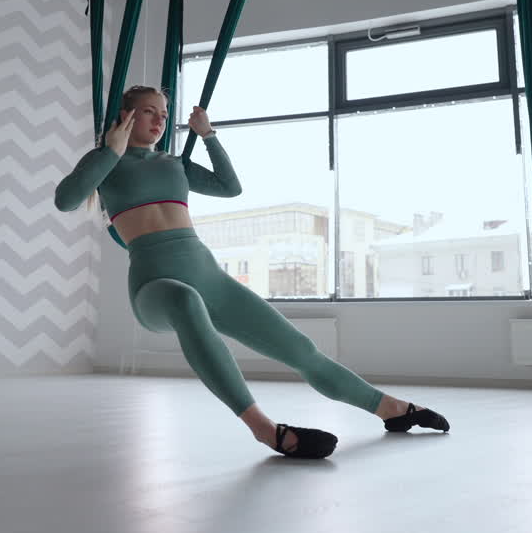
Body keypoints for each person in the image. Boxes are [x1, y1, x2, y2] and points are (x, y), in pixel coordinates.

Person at [55, 85, 449, 458]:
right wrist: (111, 151)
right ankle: (264, 427)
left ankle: (391, 408)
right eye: (148, 112)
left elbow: (230, 188)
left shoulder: (173, 163)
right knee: (185, 300)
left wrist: (208, 135)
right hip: (155, 288)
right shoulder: (106, 161)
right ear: (126, 116)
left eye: (164, 114)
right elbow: (66, 199)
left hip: (209, 276)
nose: (159, 121)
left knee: (300, 350)